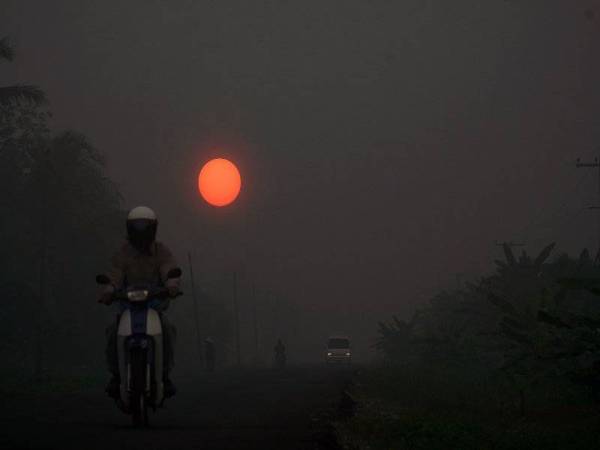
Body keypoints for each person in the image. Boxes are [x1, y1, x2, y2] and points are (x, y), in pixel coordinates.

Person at [98, 206, 181, 398]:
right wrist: (109, 289)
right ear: (129, 229)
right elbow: (115, 274)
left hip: (153, 306)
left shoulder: (161, 251)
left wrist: (171, 284)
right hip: (128, 306)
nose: (141, 231)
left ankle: (165, 375)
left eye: (145, 227)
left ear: (153, 228)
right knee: (112, 331)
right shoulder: (123, 253)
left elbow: (169, 269)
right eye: (137, 227)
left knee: (168, 330)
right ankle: (116, 375)